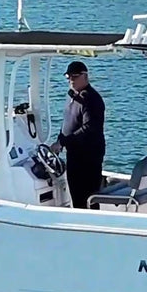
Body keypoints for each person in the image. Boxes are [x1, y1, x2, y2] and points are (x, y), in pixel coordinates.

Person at [50, 61, 106, 209]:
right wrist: (59, 141)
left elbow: (89, 128)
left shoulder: (91, 99)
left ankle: (91, 226)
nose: (71, 80)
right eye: (68, 77)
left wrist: (63, 142)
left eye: (75, 76)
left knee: (89, 196)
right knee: (76, 195)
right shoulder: (73, 96)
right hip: (74, 154)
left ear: (85, 76)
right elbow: (68, 122)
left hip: (89, 156)